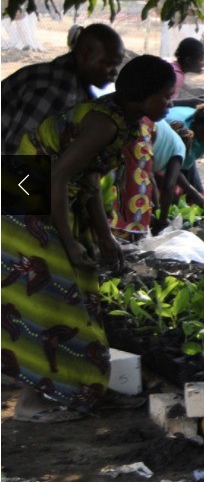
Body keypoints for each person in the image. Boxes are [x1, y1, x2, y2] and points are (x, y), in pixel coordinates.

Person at [2, 55, 175, 422]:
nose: (170, 103)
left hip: (47, 192)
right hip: (27, 190)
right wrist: (69, 242)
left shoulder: (121, 119)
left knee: (79, 291)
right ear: (143, 94)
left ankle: (78, 387)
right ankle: (32, 401)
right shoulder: (104, 123)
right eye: (166, 95)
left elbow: (91, 179)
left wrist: (104, 236)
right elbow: (59, 176)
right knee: (49, 299)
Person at [2, 24, 125, 154]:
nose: (114, 72)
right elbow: (18, 152)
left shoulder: (74, 84)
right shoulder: (56, 90)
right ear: (86, 54)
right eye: (109, 64)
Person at [164, 103, 204, 208]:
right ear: (194, 126)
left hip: (188, 162)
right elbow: (171, 166)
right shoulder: (181, 131)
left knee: (198, 202)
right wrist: (192, 191)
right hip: (166, 162)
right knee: (170, 199)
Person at [149, 119, 187, 233]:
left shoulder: (167, 142)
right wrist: (163, 219)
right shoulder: (180, 148)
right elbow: (169, 186)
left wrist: (157, 209)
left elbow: (150, 179)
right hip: (148, 128)